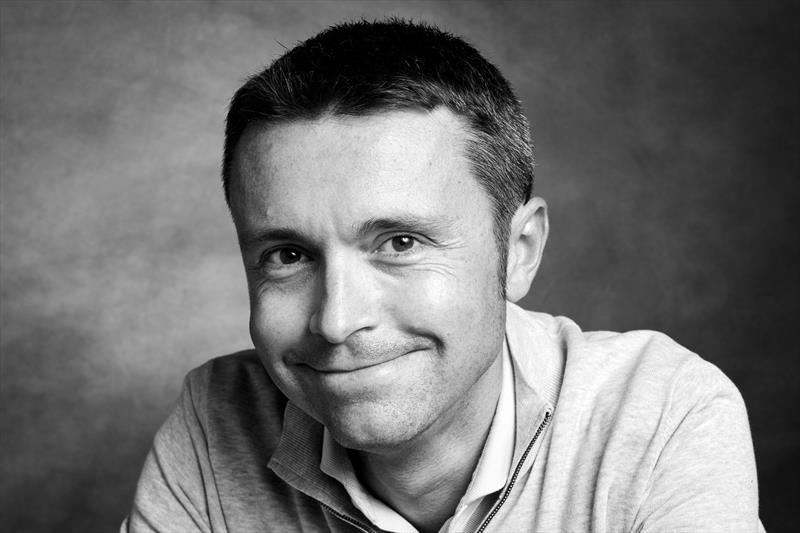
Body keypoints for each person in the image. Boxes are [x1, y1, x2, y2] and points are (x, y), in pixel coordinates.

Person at [122, 19, 763, 533]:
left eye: (400, 243)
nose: (337, 321)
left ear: (519, 251)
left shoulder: (659, 414)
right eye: (288, 255)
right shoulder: (216, 418)